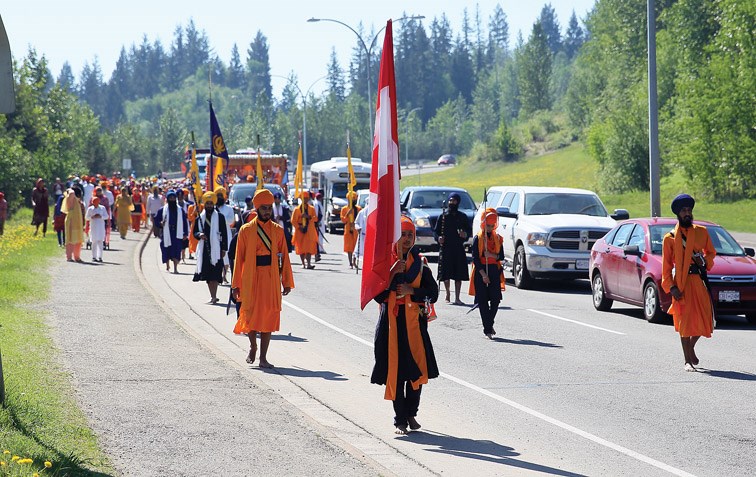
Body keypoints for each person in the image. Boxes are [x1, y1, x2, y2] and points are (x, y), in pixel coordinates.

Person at [370, 216, 439, 435]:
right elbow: (378, 296)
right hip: (392, 325)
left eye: (410, 235)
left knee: (417, 372)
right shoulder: (385, 264)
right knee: (397, 373)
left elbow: (433, 293)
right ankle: (400, 419)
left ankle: (412, 413)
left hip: (415, 326)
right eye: (402, 235)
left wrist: (412, 291)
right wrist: (391, 273)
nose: (407, 239)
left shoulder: (421, 264)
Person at [232, 189, 294, 368]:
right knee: (250, 314)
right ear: (257, 209)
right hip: (251, 276)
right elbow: (239, 259)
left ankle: (263, 358)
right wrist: (236, 284)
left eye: (269, 208)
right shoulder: (246, 231)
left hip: (270, 277)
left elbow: (284, 257)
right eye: (264, 208)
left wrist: (287, 281)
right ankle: (253, 346)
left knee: (269, 316)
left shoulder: (278, 231)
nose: (267, 211)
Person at [661, 194, 716, 372]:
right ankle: (687, 361)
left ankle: (691, 347)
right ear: (678, 214)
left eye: (689, 210)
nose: (687, 213)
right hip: (681, 283)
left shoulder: (701, 231)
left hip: (698, 281)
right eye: (684, 211)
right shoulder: (669, 238)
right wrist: (671, 287)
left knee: (706, 317)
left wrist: (705, 262)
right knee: (684, 320)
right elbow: (666, 267)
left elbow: (711, 253)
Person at [469, 208, 506, 339]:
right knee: (483, 301)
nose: (489, 228)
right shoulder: (477, 238)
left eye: (492, 225)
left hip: (494, 271)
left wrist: (491, 254)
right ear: (483, 224)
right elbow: (475, 258)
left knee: (496, 300)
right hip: (481, 272)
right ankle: (488, 329)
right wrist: (483, 275)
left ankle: (489, 324)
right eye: (487, 225)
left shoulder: (498, 238)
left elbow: (501, 256)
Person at [434, 192, 472, 304]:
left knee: (458, 274)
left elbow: (468, 232)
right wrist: (439, 238)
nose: (452, 203)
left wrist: (464, 234)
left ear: (458, 202)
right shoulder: (443, 217)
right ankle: (447, 294)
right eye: (450, 201)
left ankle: (457, 297)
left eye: (454, 201)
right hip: (446, 248)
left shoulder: (462, 217)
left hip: (458, 248)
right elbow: (436, 232)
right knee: (446, 273)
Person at [192, 191, 228, 304]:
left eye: (210, 204)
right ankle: (212, 296)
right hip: (204, 250)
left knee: (216, 273)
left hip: (216, 250)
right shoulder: (199, 218)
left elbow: (224, 234)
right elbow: (195, 232)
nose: (209, 206)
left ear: (213, 204)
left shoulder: (220, 217)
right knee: (208, 274)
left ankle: (215, 295)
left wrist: (224, 249)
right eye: (207, 204)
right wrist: (200, 235)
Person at [155, 190, 189, 273]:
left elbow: (184, 222)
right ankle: (167, 265)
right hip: (166, 232)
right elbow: (156, 220)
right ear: (167, 199)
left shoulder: (180, 210)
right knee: (166, 248)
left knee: (176, 250)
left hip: (177, 233)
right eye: (170, 198)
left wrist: (185, 233)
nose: (172, 199)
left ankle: (175, 268)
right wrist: (160, 223)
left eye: (174, 198)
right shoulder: (162, 210)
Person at [291, 191, 319, 269]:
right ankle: (303, 263)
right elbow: (293, 221)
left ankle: (309, 263)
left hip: (309, 230)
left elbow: (315, 218)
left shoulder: (311, 208)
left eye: (307, 198)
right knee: (301, 248)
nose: (305, 200)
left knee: (309, 247)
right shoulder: (297, 209)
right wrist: (299, 227)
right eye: (304, 198)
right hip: (300, 230)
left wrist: (308, 217)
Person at [215, 187, 235, 283]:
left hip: (226, 234)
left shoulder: (228, 208)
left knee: (226, 256)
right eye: (217, 195)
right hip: (214, 235)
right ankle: (217, 275)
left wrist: (221, 220)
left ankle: (224, 275)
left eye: (220, 195)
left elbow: (231, 220)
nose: (219, 197)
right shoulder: (211, 208)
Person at [62, 188, 85, 262]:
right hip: (71, 220)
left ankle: (77, 257)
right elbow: (71, 193)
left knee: (78, 239)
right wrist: (71, 189)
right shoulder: (71, 198)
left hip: (78, 222)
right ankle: (69, 257)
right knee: (70, 239)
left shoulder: (78, 201)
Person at [340, 191, 362, 269]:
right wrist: (347, 214)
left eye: (354, 199)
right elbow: (343, 220)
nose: (353, 201)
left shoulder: (358, 209)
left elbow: (361, 219)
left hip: (356, 229)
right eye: (351, 199)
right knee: (349, 247)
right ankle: (350, 263)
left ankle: (354, 262)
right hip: (348, 229)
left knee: (356, 246)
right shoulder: (344, 209)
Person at [85, 196, 109, 262]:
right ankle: (94, 257)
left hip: (100, 227)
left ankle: (100, 257)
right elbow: (86, 217)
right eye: (94, 203)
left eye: (96, 202)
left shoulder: (102, 208)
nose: (95, 204)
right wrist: (92, 217)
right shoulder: (90, 209)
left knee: (100, 242)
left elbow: (106, 216)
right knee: (94, 242)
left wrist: (101, 216)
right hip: (93, 227)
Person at [354, 197, 369, 269]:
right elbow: (356, 223)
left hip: (371, 235)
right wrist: (358, 228)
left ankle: (367, 265)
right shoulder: (362, 212)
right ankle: (354, 261)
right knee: (359, 249)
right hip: (363, 234)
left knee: (368, 251)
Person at [313, 191, 326, 261]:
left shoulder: (319, 203)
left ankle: (320, 249)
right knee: (318, 236)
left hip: (321, 222)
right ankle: (319, 249)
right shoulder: (316, 204)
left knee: (321, 236)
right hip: (319, 222)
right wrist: (317, 221)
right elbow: (317, 213)